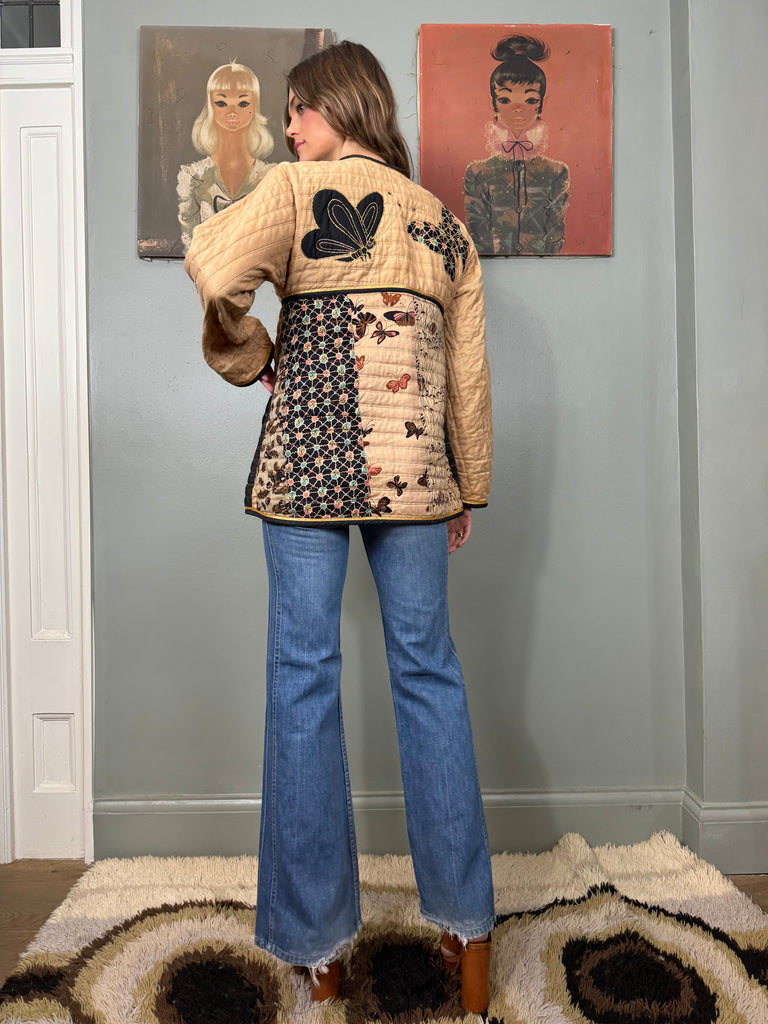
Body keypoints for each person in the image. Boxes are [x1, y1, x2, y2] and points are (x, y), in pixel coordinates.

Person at [185, 40, 495, 1012]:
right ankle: (468, 934)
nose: (288, 129)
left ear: (340, 106)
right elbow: (469, 373)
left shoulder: (292, 192)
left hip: (310, 462)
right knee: (429, 674)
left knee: (304, 676)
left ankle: (319, 949)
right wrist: (467, 486)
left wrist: (254, 358)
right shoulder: (441, 221)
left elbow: (212, 265)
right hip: (417, 474)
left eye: (297, 111)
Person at [463, 35, 569, 255]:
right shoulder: (478, 173)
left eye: (530, 100)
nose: (518, 108)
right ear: (494, 103)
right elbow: (478, 238)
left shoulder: (556, 172)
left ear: (541, 105)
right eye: (505, 100)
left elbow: (555, 236)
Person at [177, 61, 275, 252]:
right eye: (221, 103)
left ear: (255, 106)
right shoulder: (192, 176)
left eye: (243, 103)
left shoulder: (272, 176)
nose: (232, 112)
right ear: (210, 106)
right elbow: (188, 244)